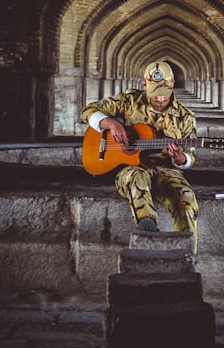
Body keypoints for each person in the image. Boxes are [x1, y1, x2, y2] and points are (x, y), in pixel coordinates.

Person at [80, 60, 199, 251]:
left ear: (173, 84)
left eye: (165, 94)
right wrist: (110, 123)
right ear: (144, 85)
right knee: (137, 176)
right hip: (130, 169)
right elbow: (87, 111)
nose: (160, 99)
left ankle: (186, 253)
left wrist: (180, 159)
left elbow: (190, 157)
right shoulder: (129, 100)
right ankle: (147, 228)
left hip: (165, 170)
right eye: (154, 94)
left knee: (185, 196)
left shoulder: (185, 117)